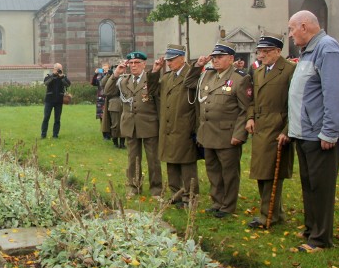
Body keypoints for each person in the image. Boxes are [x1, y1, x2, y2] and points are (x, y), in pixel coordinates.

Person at [288, 10, 339, 252]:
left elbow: (335, 94)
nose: (290, 35)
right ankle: (312, 230)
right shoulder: (307, 52)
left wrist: (329, 132)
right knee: (309, 184)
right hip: (304, 133)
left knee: (321, 187)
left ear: (304, 26)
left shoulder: (327, 48)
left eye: (292, 29)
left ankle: (321, 239)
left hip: (319, 134)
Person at [186, 40, 252, 218]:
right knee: (213, 170)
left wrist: (239, 134)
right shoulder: (207, 75)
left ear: (230, 58)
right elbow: (189, 83)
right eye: (213, 57)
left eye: (219, 57)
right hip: (208, 132)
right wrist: (198, 65)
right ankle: (217, 201)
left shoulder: (240, 78)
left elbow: (245, 109)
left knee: (229, 172)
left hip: (227, 134)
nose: (215, 60)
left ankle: (228, 205)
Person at [245, 32, 295, 229]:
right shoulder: (258, 72)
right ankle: (275, 212)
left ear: (277, 51)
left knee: (272, 173)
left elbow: (295, 104)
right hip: (260, 127)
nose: (261, 56)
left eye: (266, 52)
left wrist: (288, 130)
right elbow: (252, 99)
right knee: (261, 172)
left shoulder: (290, 70)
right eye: (260, 52)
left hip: (277, 126)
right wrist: (250, 117)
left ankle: (269, 215)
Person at [148, 44, 200, 208]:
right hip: (168, 127)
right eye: (168, 60)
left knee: (186, 163)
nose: (169, 63)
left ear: (182, 58)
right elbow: (152, 91)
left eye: (172, 60)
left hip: (184, 125)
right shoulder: (167, 77)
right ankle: (176, 194)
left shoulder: (190, 75)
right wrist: (155, 71)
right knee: (171, 162)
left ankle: (190, 197)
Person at [104, 51, 162, 197]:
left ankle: (156, 189)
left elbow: (156, 94)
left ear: (144, 64)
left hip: (148, 124)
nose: (133, 66)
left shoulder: (151, 78)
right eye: (131, 63)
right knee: (132, 159)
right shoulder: (124, 80)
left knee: (153, 159)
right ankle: (134, 187)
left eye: (137, 63)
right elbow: (108, 91)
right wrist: (116, 73)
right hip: (130, 124)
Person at [41, 63, 71, 139]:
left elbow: (68, 84)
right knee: (46, 118)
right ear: (54, 69)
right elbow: (46, 83)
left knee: (57, 119)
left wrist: (62, 77)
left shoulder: (63, 77)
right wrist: (53, 75)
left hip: (59, 100)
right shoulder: (49, 76)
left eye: (60, 69)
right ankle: (43, 134)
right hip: (49, 100)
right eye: (58, 69)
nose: (59, 71)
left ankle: (55, 135)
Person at [101, 65, 125, 148]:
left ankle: (122, 143)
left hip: (125, 102)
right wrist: (109, 75)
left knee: (124, 124)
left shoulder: (124, 76)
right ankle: (115, 143)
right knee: (115, 124)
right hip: (114, 102)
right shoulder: (112, 77)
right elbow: (103, 84)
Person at [91, 64, 111, 140]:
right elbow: (93, 83)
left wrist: (108, 74)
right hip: (101, 99)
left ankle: (110, 133)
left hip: (109, 98)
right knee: (102, 118)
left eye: (106, 69)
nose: (104, 70)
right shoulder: (99, 76)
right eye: (103, 69)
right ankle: (105, 135)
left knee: (110, 117)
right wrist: (95, 74)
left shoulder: (111, 76)